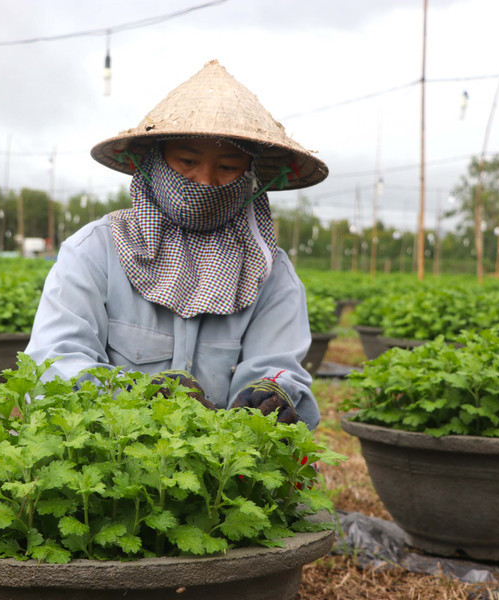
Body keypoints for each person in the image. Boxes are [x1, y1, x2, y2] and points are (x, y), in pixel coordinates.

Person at [24, 59, 328, 429]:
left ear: (250, 175)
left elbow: (278, 369)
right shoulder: (95, 251)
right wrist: (136, 394)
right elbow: (55, 362)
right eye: (187, 160)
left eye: (229, 168)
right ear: (154, 162)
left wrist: (272, 395)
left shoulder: (270, 273)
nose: (205, 181)